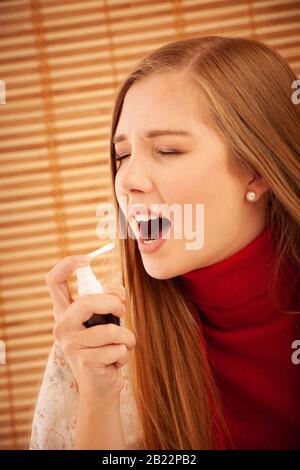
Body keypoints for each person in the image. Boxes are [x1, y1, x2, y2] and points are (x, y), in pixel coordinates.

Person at [29, 35, 300, 450]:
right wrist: (98, 400)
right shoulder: (103, 340)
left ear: (256, 171)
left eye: (168, 150)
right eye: (122, 156)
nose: (128, 182)